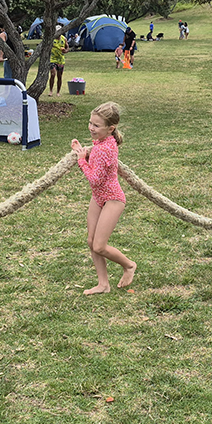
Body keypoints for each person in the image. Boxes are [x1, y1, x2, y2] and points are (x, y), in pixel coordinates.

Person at [70, 101, 137, 295]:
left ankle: (129, 265)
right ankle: (103, 284)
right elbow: (98, 163)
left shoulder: (104, 148)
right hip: (98, 197)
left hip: (113, 199)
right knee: (92, 242)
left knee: (99, 245)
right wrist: (81, 150)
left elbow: (95, 178)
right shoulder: (102, 142)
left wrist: (81, 160)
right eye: (90, 123)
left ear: (111, 128)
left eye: (96, 125)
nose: (91, 128)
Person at [48, 27, 67, 95]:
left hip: (61, 60)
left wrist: (65, 50)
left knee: (59, 76)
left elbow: (67, 48)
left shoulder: (64, 39)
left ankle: (58, 92)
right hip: (52, 59)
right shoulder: (52, 38)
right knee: (53, 74)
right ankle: (51, 90)